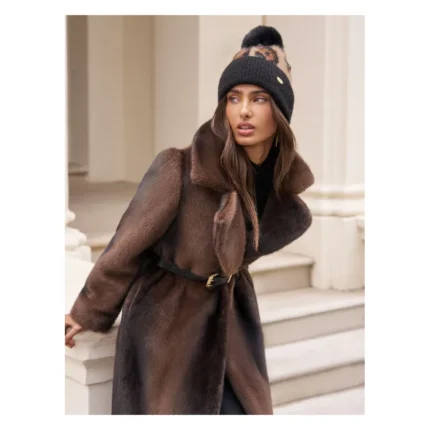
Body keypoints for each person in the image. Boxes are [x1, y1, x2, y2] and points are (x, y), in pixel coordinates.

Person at [65, 25, 314, 415]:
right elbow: (126, 245)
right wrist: (88, 310)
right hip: (168, 326)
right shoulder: (179, 168)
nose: (244, 111)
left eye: (259, 99)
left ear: (280, 111)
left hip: (231, 320)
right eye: (233, 98)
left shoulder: (274, 186)